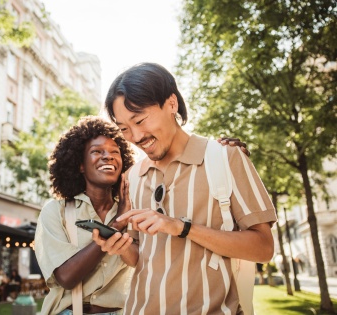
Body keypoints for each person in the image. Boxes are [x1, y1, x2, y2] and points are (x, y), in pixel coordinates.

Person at [94, 62, 277, 314]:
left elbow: (264, 248)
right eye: (124, 128)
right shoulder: (132, 177)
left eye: (139, 120)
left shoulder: (226, 158)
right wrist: (121, 247)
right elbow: (141, 258)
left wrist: (181, 227)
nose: (135, 136)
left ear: (171, 103)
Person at [34, 116, 137, 315]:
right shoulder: (56, 212)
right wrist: (116, 226)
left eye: (115, 152)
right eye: (97, 151)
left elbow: (144, 264)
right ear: (80, 165)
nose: (108, 156)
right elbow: (66, 277)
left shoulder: (134, 211)